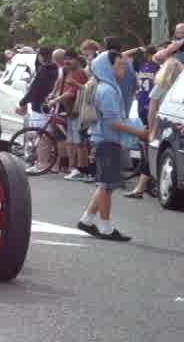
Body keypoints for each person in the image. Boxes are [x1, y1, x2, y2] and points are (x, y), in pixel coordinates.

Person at [77, 50, 148, 241]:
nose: (123, 68)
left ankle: (87, 220)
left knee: (106, 185)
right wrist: (139, 133)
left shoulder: (107, 86)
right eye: (119, 64)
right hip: (107, 141)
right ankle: (106, 227)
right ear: (107, 68)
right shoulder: (107, 90)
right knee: (106, 185)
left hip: (106, 140)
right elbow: (112, 122)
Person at [125, 56, 183, 198]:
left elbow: (153, 109)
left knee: (150, 156)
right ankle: (143, 187)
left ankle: (141, 187)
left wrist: (152, 129)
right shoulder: (178, 86)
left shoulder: (161, 86)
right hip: (171, 123)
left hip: (160, 123)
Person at [48, 49, 91, 181]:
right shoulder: (67, 72)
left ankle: (81, 169)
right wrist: (53, 94)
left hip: (78, 111)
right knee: (71, 141)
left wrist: (55, 100)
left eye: (70, 59)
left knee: (79, 142)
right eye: (65, 59)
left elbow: (72, 92)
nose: (67, 62)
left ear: (76, 60)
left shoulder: (80, 73)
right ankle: (72, 167)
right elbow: (60, 85)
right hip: (69, 112)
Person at [16, 46, 59, 174]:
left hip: (39, 106)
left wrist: (23, 102)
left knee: (41, 135)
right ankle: (49, 163)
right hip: (50, 105)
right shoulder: (57, 70)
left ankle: (41, 163)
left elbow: (34, 89)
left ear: (41, 56)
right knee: (48, 135)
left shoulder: (44, 70)